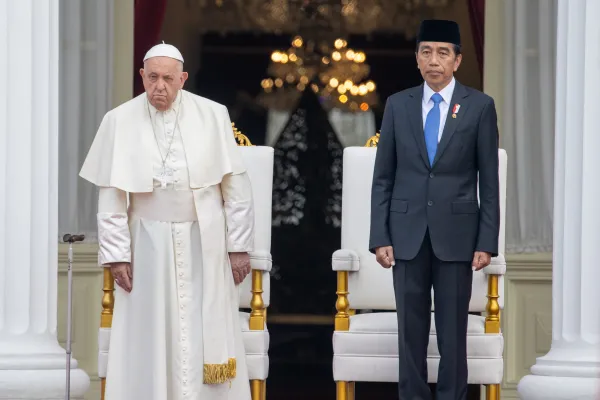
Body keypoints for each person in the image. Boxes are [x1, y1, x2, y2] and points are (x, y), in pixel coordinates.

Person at [80, 43, 254, 400]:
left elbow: (235, 187)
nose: (160, 86)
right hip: (146, 243)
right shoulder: (118, 119)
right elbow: (111, 194)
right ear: (142, 76)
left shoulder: (213, 114)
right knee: (150, 330)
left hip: (203, 240)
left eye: (168, 79)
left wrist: (238, 246)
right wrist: (116, 254)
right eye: (153, 77)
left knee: (201, 325)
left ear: (183, 79)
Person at [369, 20, 500, 400]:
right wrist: (380, 235)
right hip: (406, 234)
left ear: (458, 60)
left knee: (452, 332)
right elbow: (383, 177)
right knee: (409, 332)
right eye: (426, 52)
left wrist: (486, 241)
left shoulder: (479, 107)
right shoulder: (398, 104)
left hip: (458, 237)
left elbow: (488, 182)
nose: (434, 60)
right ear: (416, 59)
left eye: (443, 53)